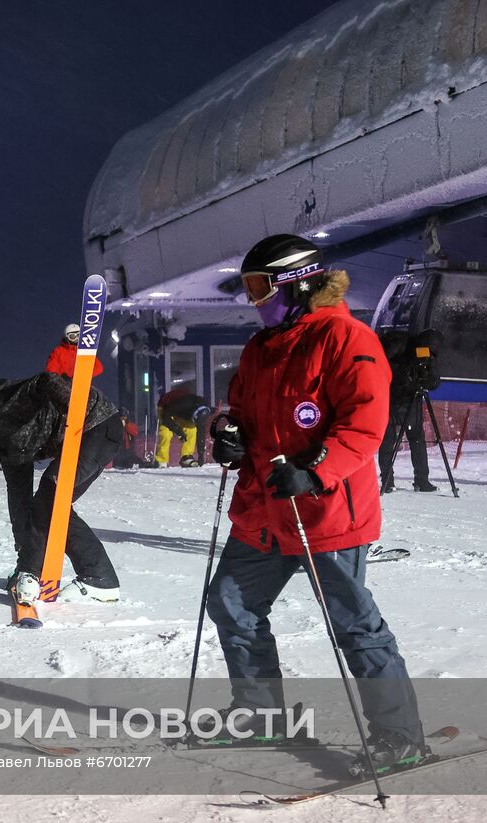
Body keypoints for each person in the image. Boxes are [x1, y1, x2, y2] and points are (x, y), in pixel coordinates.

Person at [206, 233, 425, 775]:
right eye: (249, 288)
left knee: (353, 625)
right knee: (231, 604)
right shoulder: (261, 349)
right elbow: (243, 412)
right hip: (264, 509)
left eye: (260, 287)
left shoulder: (347, 339)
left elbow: (365, 425)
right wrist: (227, 431)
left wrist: (316, 471)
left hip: (327, 512)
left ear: (299, 283)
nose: (254, 299)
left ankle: (400, 736)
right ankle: (259, 717)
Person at [0, 372, 123, 603]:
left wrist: (73, 408)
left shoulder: (2, 408)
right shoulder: (6, 449)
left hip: (96, 426)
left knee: (53, 497)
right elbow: (21, 503)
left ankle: (100, 578)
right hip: (82, 438)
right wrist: (26, 565)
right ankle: (46, 572)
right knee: (45, 504)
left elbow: (44, 381)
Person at [378, 330, 441, 493]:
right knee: (388, 440)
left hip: (410, 400)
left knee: (417, 440)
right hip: (390, 398)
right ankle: (388, 481)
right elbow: (385, 368)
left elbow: (434, 381)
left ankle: (421, 480)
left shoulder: (426, 354)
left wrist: (427, 377)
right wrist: (405, 376)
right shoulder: (399, 347)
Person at [152, 389, 212, 468]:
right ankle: (161, 460)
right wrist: (178, 431)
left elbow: (201, 434)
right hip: (166, 409)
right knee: (166, 433)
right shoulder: (182, 404)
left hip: (183, 413)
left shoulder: (204, 409)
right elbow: (166, 418)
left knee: (192, 431)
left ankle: (186, 457)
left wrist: (201, 455)